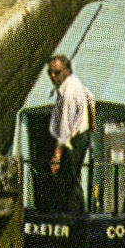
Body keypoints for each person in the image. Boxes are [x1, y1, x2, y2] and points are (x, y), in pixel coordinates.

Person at [46, 54, 94, 214]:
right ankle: (77, 215)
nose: (53, 76)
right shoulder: (74, 82)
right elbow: (90, 97)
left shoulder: (68, 94)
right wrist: (92, 122)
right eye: (50, 73)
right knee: (73, 178)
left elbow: (65, 128)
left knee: (69, 181)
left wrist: (57, 156)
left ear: (66, 71)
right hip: (81, 136)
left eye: (57, 72)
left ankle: (73, 218)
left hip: (73, 140)